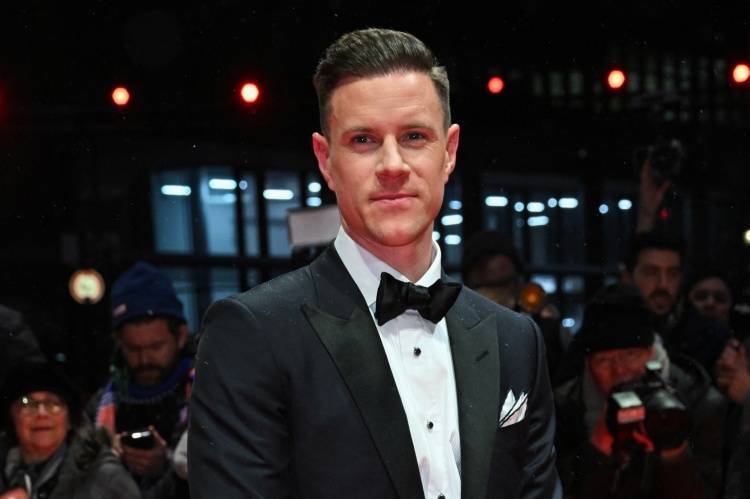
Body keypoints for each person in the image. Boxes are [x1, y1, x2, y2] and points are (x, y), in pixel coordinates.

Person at [189, 28, 560, 499]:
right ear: (326, 159)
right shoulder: (253, 335)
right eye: (363, 139)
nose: (392, 165)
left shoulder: (516, 340)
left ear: (448, 152)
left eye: (414, 136)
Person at [554, 284, 725, 499]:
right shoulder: (565, 406)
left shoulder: (698, 401)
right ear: (588, 364)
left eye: (630, 355)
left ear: (651, 353)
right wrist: (599, 447)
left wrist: (673, 447)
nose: (618, 370)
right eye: (603, 361)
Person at [88, 261, 193, 498]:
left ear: (180, 336)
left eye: (156, 347)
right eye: (133, 349)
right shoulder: (101, 404)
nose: (144, 359)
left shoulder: (205, 391)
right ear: (118, 343)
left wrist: (170, 464)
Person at [0, 362, 139, 499]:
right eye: (28, 404)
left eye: (53, 403)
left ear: (70, 419)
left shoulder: (105, 479)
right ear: (11, 417)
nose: (42, 414)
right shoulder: (5, 471)